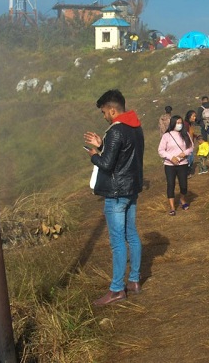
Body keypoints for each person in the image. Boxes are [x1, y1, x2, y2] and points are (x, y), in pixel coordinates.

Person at [84, 89, 144, 306]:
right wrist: (103, 145)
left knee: (118, 242)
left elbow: (107, 164)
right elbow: (124, 155)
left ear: (112, 110)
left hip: (116, 193)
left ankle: (117, 289)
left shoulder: (116, 131)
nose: (104, 116)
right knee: (132, 235)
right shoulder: (135, 127)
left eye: (104, 112)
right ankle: (134, 280)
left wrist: (94, 155)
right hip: (131, 190)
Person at [158, 115, 194, 214]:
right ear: (173, 123)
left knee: (183, 185)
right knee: (171, 184)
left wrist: (185, 153)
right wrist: (171, 157)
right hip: (170, 165)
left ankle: (182, 199)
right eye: (177, 123)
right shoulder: (166, 136)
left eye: (181, 123)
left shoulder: (185, 134)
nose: (179, 125)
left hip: (183, 163)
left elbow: (191, 147)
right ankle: (172, 207)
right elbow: (161, 150)